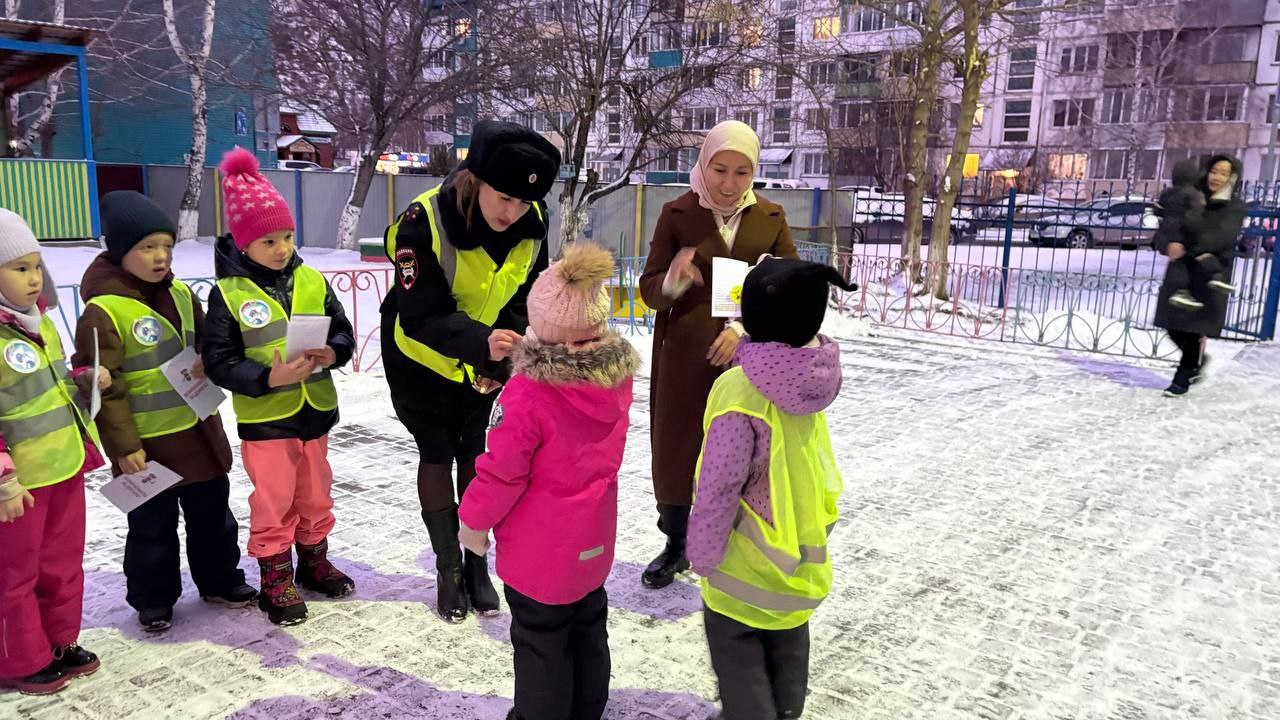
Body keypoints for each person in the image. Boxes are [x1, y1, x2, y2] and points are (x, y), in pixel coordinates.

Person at [380, 120, 558, 622]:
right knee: (438, 452)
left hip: (486, 359)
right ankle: (448, 567)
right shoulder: (426, 221)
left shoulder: (533, 220)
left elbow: (526, 296)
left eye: (523, 202)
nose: (512, 211)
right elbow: (420, 314)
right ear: (476, 180)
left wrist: (500, 360)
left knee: (478, 456)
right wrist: (482, 345)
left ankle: (476, 560)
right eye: (504, 197)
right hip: (421, 359)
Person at [458, 241, 640, 720]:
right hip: (593, 541)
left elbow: (502, 472)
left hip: (539, 554)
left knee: (540, 642)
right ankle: (588, 709)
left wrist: (473, 522)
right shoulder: (615, 380)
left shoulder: (529, 393)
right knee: (588, 628)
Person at [72, 191, 257, 633]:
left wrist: (212, 356)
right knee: (151, 528)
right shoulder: (104, 310)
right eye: (147, 247)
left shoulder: (180, 292)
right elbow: (105, 389)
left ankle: (219, 579)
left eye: (167, 247)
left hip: (198, 432)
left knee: (213, 517)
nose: (160, 257)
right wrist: (124, 448)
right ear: (120, 251)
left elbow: (208, 343)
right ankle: (153, 598)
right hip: (146, 446)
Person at [687, 257, 854, 720]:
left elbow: (720, 483)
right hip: (799, 560)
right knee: (788, 643)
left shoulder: (740, 390)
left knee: (739, 654)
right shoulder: (812, 378)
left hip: (745, 565)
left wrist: (703, 553)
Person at [637, 119, 798, 590]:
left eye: (741, 172)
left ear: (754, 172)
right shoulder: (676, 213)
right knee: (678, 446)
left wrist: (744, 328)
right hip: (685, 354)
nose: (729, 184)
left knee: (741, 448)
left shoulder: (770, 217)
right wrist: (673, 280)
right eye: (719, 169)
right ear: (703, 164)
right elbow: (649, 289)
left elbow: (791, 287)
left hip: (749, 360)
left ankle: (735, 541)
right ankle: (677, 542)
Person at [203, 148, 357, 625]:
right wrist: (268, 377)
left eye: (287, 236)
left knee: (316, 493)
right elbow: (218, 361)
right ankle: (275, 576)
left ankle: (313, 561)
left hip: (315, 411)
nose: (282, 248)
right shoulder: (228, 293)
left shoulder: (311, 279)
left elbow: (343, 330)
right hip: (267, 419)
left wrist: (334, 351)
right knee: (274, 499)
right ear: (244, 243)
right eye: (268, 240)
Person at [0, 209, 108, 694]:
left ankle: (58, 642)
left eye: (36, 266)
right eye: (19, 268)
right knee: (14, 574)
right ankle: (21, 660)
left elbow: (52, 384)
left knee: (61, 564)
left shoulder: (40, 323)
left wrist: (84, 381)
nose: (33, 278)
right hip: (18, 485)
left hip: (64, 468)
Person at [1154, 154, 1248, 397]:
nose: (1216, 177)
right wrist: (1168, 245)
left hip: (1210, 272)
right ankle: (1197, 360)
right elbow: (1166, 229)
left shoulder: (1234, 207)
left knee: (1194, 327)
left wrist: (1186, 245)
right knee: (1171, 324)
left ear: (1232, 178)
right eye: (1214, 171)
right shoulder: (1191, 197)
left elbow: (1220, 238)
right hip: (1181, 271)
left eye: (1223, 174)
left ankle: (1183, 376)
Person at [1154, 160, 1234, 310]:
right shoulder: (1194, 194)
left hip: (1170, 229)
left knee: (1180, 261)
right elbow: (1196, 212)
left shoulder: (1167, 193)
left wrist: (1164, 214)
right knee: (1200, 254)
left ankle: (1182, 290)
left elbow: (1157, 209)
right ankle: (1215, 275)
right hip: (1186, 229)